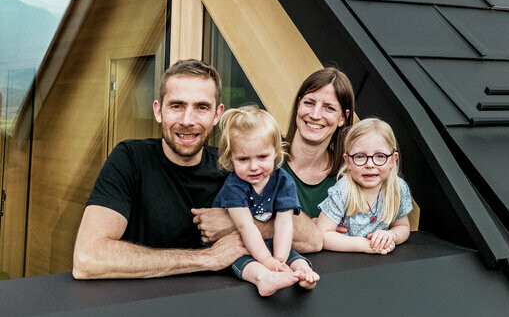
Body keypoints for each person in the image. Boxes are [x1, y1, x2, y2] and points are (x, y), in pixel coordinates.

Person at [72, 59, 321, 280]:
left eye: (201, 107)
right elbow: (88, 258)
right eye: (177, 106)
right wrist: (207, 258)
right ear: (158, 111)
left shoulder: (236, 165)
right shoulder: (131, 159)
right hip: (144, 304)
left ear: (217, 114)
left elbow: (312, 238)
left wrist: (239, 223)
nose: (188, 120)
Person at [193, 67, 354, 242]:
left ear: (343, 117)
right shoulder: (258, 159)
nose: (315, 115)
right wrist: (308, 228)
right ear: (298, 104)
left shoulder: (349, 175)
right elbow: (213, 224)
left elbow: (373, 224)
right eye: (309, 103)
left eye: (329, 108)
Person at [212, 106, 318, 295]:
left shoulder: (283, 181)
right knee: (245, 262)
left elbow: (284, 223)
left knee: (293, 255)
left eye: (262, 157)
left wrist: (279, 260)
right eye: (243, 159)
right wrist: (267, 262)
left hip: (266, 240)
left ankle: (304, 273)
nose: (254, 166)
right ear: (231, 157)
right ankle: (263, 279)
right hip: (236, 242)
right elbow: (246, 226)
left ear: (275, 152)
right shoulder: (234, 186)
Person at [316, 118, 412, 254]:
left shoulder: (397, 188)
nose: (370, 164)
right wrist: (365, 245)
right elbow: (322, 234)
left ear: (392, 160)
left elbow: (402, 226)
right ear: (348, 161)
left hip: (382, 262)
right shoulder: (342, 191)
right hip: (343, 259)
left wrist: (391, 236)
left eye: (380, 156)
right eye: (360, 156)